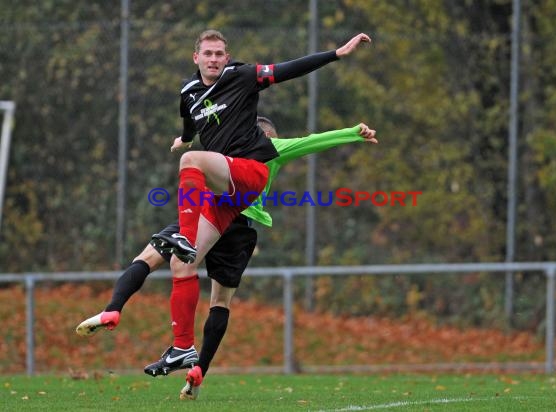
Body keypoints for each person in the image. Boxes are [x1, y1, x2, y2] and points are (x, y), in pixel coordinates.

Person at [76, 119, 377, 400]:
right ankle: (198, 370)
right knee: (219, 300)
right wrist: (352, 133)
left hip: (214, 215)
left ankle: (114, 310)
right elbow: (312, 141)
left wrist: (185, 136)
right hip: (239, 228)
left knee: (154, 258)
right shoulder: (273, 149)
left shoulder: (240, 149)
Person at [148, 28, 371, 396]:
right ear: (197, 57)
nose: (214, 58)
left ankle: (186, 352)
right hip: (236, 218)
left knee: (190, 273)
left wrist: (338, 60)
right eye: (208, 53)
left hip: (234, 218)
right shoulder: (194, 96)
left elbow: (308, 122)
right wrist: (185, 138)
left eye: (220, 52)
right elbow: (191, 126)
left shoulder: (268, 140)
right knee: (205, 287)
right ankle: (190, 358)